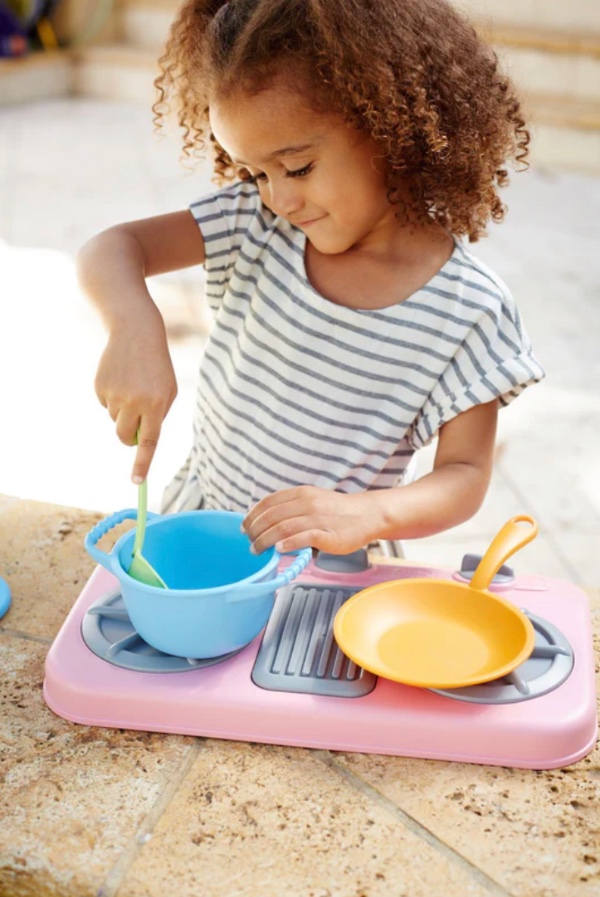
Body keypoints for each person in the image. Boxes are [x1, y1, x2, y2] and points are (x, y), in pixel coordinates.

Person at [77, 0, 544, 558]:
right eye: (256, 172)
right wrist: (132, 325)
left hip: (327, 568)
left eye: (298, 168)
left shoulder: (468, 311)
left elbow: (464, 474)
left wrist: (369, 514)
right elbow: (112, 248)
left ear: (388, 126)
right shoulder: (254, 223)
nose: (279, 197)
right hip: (204, 528)